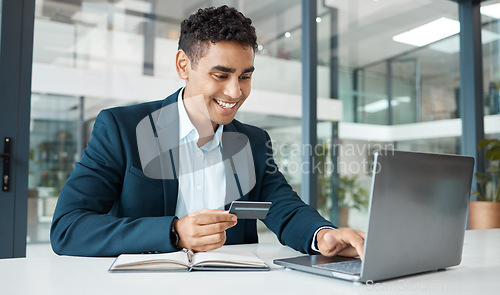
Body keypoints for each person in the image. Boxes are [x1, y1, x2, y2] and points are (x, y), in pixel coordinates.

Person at [50, 5, 365, 258]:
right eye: (221, 74)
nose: (235, 92)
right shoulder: (123, 128)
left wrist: (324, 236)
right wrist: (174, 232)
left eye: (245, 76)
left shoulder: (253, 142)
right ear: (183, 65)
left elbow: (281, 205)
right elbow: (69, 227)